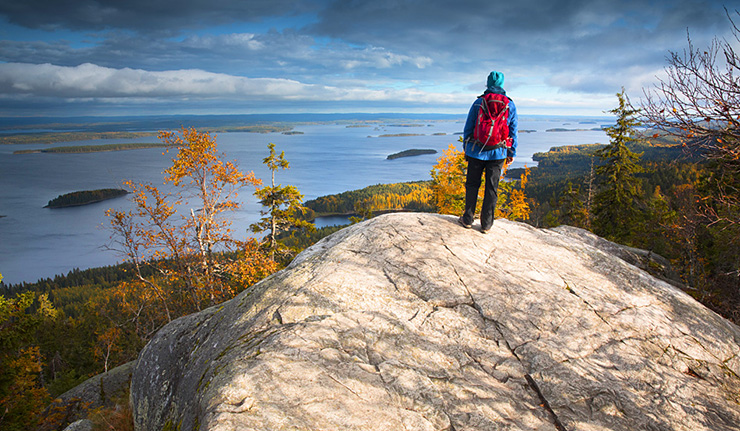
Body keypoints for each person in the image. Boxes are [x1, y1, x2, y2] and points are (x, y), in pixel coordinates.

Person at [458, 70, 518, 233]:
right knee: (492, 188)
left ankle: (468, 219)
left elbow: (468, 128)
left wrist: (467, 148)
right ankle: (486, 224)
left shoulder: (478, 103)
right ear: (502, 85)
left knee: (472, 185)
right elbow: (513, 131)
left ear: (488, 83)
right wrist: (511, 152)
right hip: (498, 153)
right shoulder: (510, 104)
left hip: (476, 151)